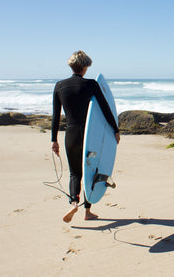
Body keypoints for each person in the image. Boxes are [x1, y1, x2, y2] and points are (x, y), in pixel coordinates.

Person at [51, 50, 121, 223]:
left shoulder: (60, 86)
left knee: (75, 173)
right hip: (90, 135)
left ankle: (74, 202)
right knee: (91, 173)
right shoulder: (90, 85)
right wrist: (115, 129)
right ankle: (87, 211)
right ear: (84, 67)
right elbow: (105, 109)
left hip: (71, 135)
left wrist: (54, 140)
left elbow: (55, 116)